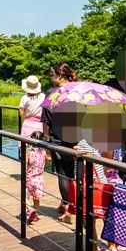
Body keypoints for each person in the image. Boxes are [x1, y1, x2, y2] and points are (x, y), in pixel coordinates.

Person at [41, 63, 79, 213]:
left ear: (60, 76)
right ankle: (72, 203)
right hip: (74, 137)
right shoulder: (76, 91)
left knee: (62, 173)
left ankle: (68, 205)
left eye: (53, 76)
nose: (51, 80)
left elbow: (46, 119)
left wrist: (45, 139)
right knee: (72, 173)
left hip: (57, 137)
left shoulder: (52, 92)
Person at [25, 131, 48, 223]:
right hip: (40, 179)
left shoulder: (28, 153)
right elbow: (50, 159)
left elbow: (25, 167)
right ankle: (35, 214)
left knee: (24, 198)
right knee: (36, 199)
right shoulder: (43, 153)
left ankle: (30, 210)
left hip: (30, 178)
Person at [19, 76, 45, 158]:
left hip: (28, 124)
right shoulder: (43, 96)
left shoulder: (24, 98)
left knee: (26, 148)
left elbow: (21, 113)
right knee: (39, 147)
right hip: (40, 124)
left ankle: (26, 166)